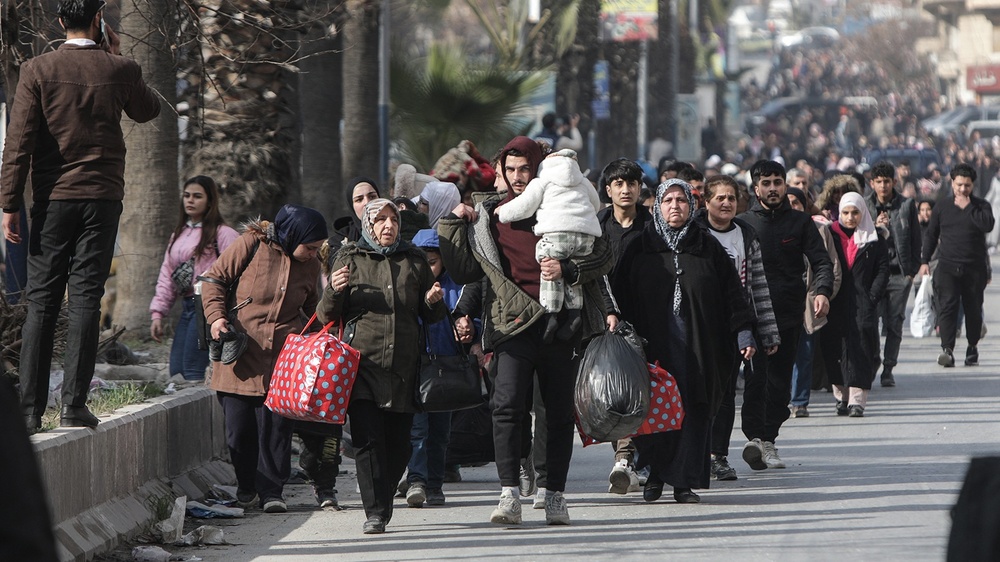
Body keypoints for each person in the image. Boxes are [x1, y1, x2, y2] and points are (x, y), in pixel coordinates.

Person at [0, 0, 161, 433]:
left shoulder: (37, 69)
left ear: (58, 22)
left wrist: (9, 204)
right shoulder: (120, 68)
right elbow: (149, 110)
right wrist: (117, 54)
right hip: (103, 198)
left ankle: (31, 411)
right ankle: (74, 404)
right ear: (98, 20)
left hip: (52, 200)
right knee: (87, 297)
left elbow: (18, 143)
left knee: (42, 301)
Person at [438, 135, 612, 526]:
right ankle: (509, 494)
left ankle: (554, 494)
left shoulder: (567, 203)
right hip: (511, 325)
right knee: (506, 407)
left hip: (562, 323)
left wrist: (569, 270)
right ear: (500, 171)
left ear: (539, 169)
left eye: (525, 169)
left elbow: (603, 256)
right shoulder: (490, 214)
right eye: (510, 170)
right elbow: (468, 272)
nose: (518, 178)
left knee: (557, 413)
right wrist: (453, 223)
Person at [613, 179, 756, 503]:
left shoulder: (707, 246)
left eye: (681, 200)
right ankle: (655, 477)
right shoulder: (640, 246)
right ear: (658, 207)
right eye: (668, 201)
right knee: (655, 411)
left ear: (691, 207)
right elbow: (617, 295)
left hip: (700, 347)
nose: (675, 206)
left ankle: (683, 483)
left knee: (692, 410)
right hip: (652, 348)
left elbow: (734, 294)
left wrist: (744, 331)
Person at [319, 199, 446, 534]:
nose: (388, 226)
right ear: (368, 224)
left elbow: (430, 315)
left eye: (393, 220)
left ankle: (382, 494)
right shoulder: (349, 257)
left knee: (400, 445)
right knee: (368, 440)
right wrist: (334, 289)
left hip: (404, 368)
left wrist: (434, 302)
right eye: (380, 220)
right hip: (361, 365)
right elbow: (325, 315)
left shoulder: (413, 259)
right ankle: (375, 512)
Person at [200, 205, 328, 514]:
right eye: (309, 247)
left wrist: (317, 340)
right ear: (292, 234)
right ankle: (247, 487)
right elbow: (213, 280)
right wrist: (216, 319)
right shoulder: (251, 244)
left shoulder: (310, 265)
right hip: (239, 352)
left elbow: (312, 309)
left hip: (284, 360)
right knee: (239, 431)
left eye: (317, 249)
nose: (313, 253)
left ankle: (273, 491)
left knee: (277, 430)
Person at [738, 159, 833, 470]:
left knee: (779, 384)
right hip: (751, 317)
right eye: (765, 183)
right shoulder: (743, 224)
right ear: (756, 189)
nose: (773, 188)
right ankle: (753, 437)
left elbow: (821, 262)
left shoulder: (801, 223)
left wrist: (821, 291)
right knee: (754, 379)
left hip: (789, 314)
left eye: (777, 182)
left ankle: (769, 440)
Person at [694, 175, 780, 482]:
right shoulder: (694, 234)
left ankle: (718, 456)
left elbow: (757, 286)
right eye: (720, 198)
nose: (727, 203)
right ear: (706, 203)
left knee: (726, 394)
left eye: (731, 198)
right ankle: (692, 454)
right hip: (697, 326)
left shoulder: (745, 235)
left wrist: (767, 331)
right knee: (696, 394)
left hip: (735, 326)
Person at [496, 148, 603, 343]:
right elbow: (595, 204)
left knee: (547, 264)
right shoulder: (583, 181)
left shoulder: (543, 179)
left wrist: (502, 213)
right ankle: (575, 314)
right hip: (585, 237)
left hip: (557, 234)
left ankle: (551, 314)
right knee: (571, 272)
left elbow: (524, 206)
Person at [400, 228, 472, 508]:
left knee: (441, 432)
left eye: (433, 261)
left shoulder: (456, 285)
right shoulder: (409, 284)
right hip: (416, 367)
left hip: (447, 367)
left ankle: (435, 484)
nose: (428, 268)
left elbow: (469, 315)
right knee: (417, 429)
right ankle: (416, 480)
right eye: (422, 262)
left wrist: (469, 328)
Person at [596, 158, 651, 494]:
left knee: (639, 389)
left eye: (631, 183)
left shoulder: (652, 226)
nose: (626, 189)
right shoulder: (598, 225)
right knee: (610, 391)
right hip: (605, 322)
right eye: (619, 184)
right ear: (608, 190)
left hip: (648, 320)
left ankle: (628, 459)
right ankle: (624, 458)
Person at [149, 176, 239, 381]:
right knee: (177, 370)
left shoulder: (224, 234)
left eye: (197, 196)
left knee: (192, 370)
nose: (190, 200)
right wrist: (157, 314)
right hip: (188, 308)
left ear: (210, 201)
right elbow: (166, 275)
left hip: (208, 307)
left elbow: (240, 269)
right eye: (187, 195)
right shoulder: (179, 234)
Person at [919, 163, 996, 367]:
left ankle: (972, 347)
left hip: (974, 268)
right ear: (952, 183)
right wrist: (924, 261)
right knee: (947, 308)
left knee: (973, 309)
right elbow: (931, 235)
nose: (963, 189)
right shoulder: (942, 207)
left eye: (967, 185)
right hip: (947, 267)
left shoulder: (981, 206)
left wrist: (969, 205)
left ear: (972, 185)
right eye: (959, 184)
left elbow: (988, 225)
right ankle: (947, 350)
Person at [825, 192, 889, 417]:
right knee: (835, 347)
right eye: (845, 213)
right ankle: (841, 396)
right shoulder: (829, 236)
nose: (850, 217)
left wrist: (872, 297)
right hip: (835, 301)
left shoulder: (873, 238)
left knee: (862, 347)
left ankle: (857, 401)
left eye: (855, 212)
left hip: (863, 302)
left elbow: (882, 270)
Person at [864, 161, 921, 387]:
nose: (883, 186)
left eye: (887, 181)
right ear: (872, 183)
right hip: (873, 275)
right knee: (870, 322)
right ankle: (874, 360)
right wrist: (875, 228)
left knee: (895, 323)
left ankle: (888, 367)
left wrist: (912, 272)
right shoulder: (866, 206)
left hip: (899, 274)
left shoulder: (906, 205)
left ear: (894, 182)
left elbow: (916, 239)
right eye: (879, 182)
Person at [786, 186, 842, 419]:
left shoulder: (820, 231)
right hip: (782, 302)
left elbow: (832, 268)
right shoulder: (773, 230)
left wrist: (823, 294)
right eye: (786, 202)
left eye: (796, 203)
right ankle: (781, 399)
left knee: (805, 353)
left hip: (809, 302)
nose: (791, 208)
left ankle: (799, 401)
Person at [329, 177, 380, 248]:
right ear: (352, 206)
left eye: (372, 197)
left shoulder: (396, 231)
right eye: (359, 199)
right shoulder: (340, 240)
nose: (367, 202)